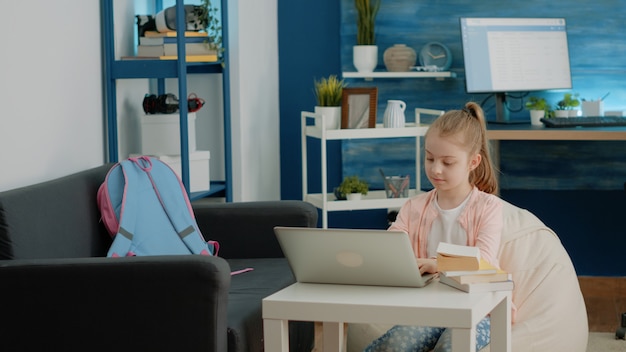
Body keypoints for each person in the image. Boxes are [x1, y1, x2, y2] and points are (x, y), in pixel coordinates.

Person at [363, 101, 504, 352]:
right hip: (428, 309)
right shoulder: (413, 207)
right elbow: (392, 249)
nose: (435, 169)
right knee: (393, 345)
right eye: (430, 158)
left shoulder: (489, 207)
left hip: (480, 311)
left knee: (452, 347)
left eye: (448, 162)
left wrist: (436, 263)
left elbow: (485, 262)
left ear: (473, 162)